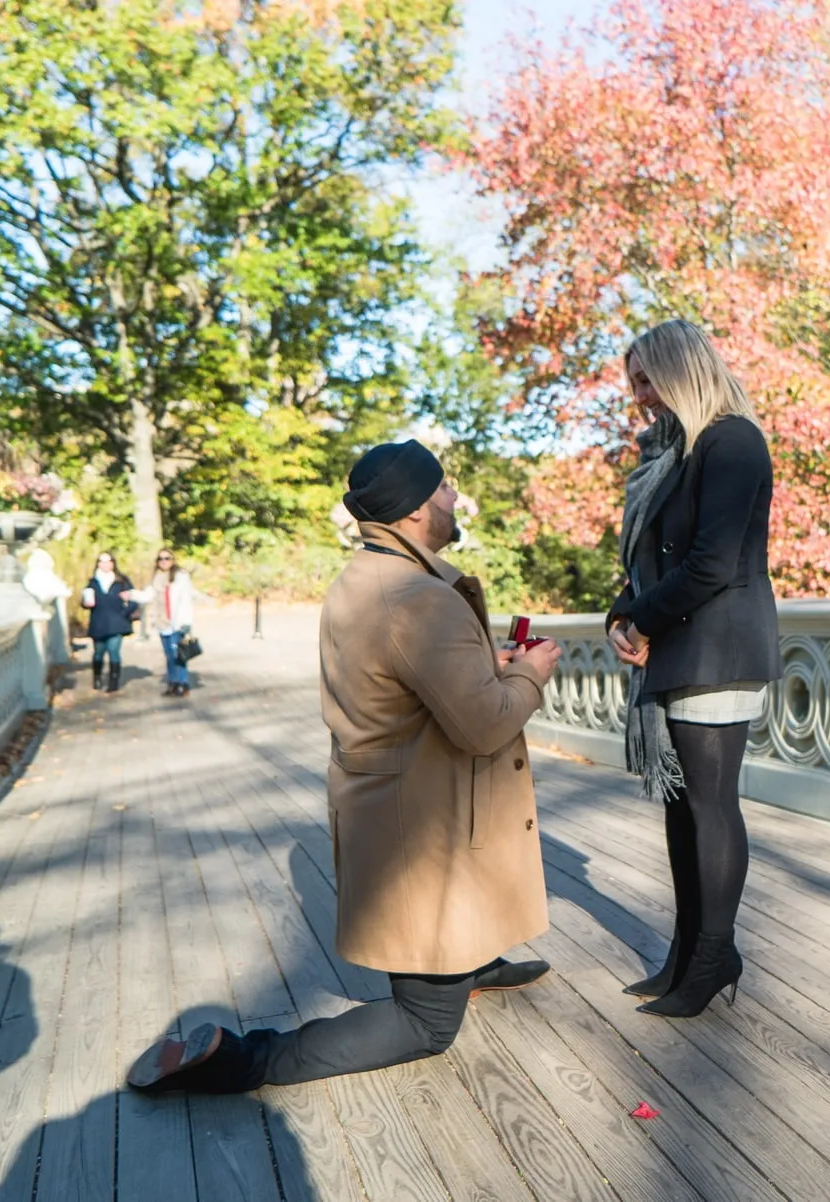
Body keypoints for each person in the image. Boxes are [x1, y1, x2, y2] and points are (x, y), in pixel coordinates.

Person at [127, 439, 563, 1094]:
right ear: (416, 510)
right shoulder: (419, 597)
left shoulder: (364, 579)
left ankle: (469, 963)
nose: (454, 499)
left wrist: (485, 668)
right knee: (425, 1025)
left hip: (387, 811)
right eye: (444, 488)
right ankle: (239, 1060)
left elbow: (404, 683)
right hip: (423, 835)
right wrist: (530, 676)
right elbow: (485, 727)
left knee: (446, 941)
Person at [605, 319, 782, 1019]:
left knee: (710, 805)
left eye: (647, 380)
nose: (641, 397)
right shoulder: (679, 451)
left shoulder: (732, 440)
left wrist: (645, 619)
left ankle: (713, 955)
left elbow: (711, 563)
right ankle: (685, 952)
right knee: (683, 806)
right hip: (686, 645)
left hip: (721, 647)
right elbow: (651, 560)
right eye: (635, 383)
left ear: (682, 369)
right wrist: (623, 614)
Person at [79, 551, 138, 693]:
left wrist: (124, 612)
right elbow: (85, 601)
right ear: (98, 564)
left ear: (113, 563)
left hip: (117, 623)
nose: (105, 564)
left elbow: (134, 600)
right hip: (99, 622)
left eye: (108, 561)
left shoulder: (122, 581)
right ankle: (97, 676)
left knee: (114, 651)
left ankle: (114, 681)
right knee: (99, 652)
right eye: (102, 561)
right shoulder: (93, 582)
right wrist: (85, 603)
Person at [142, 548, 196, 698]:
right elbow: (147, 595)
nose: (164, 561)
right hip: (161, 622)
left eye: (167, 558)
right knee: (169, 655)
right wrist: (131, 595)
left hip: (176, 622)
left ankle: (182, 683)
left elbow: (186, 600)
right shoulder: (156, 578)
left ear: (173, 560)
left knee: (178, 654)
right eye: (161, 559)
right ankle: (172, 683)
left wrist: (187, 621)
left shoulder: (181, 577)